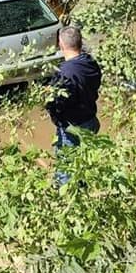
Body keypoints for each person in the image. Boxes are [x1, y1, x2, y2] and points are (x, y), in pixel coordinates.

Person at [46, 25, 102, 185]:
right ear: (80, 42)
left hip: (72, 128)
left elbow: (57, 104)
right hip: (91, 121)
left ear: (61, 45)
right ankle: (83, 192)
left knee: (66, 170)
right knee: (84, 164)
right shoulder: (91, 63)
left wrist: (50, 107)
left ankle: (66, 203)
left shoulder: (64, 73)